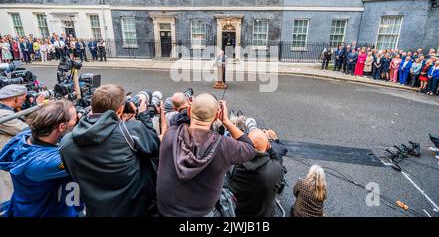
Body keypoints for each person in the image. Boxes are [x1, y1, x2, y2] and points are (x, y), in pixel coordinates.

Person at [60, 84, 160, 217]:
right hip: (134, 209)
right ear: (120, 110)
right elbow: (155, 147)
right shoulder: (131, 131)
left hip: (95, 210)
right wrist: (143, 115)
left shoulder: (66, 142)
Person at [156, 94, 257, 217]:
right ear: (216, 117)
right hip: (201, 213)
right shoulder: (225, 146)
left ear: (188, 111)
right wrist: (226, 121)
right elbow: (251, 149)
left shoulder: (170, 135)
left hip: (165, 211)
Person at [0, 100, 82, 217]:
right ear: (62, 126)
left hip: (22, 208)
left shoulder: (23, 137)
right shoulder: (43, 162)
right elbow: (83, 157)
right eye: (76, 119)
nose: (77, 121)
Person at [228, 129, 285, 217]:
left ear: (247, 145)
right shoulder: (277, 169)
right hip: (266, 214)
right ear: (267, 146)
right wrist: (269, 147)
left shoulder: (235, 167)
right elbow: (277, 161)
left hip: (240, 213)